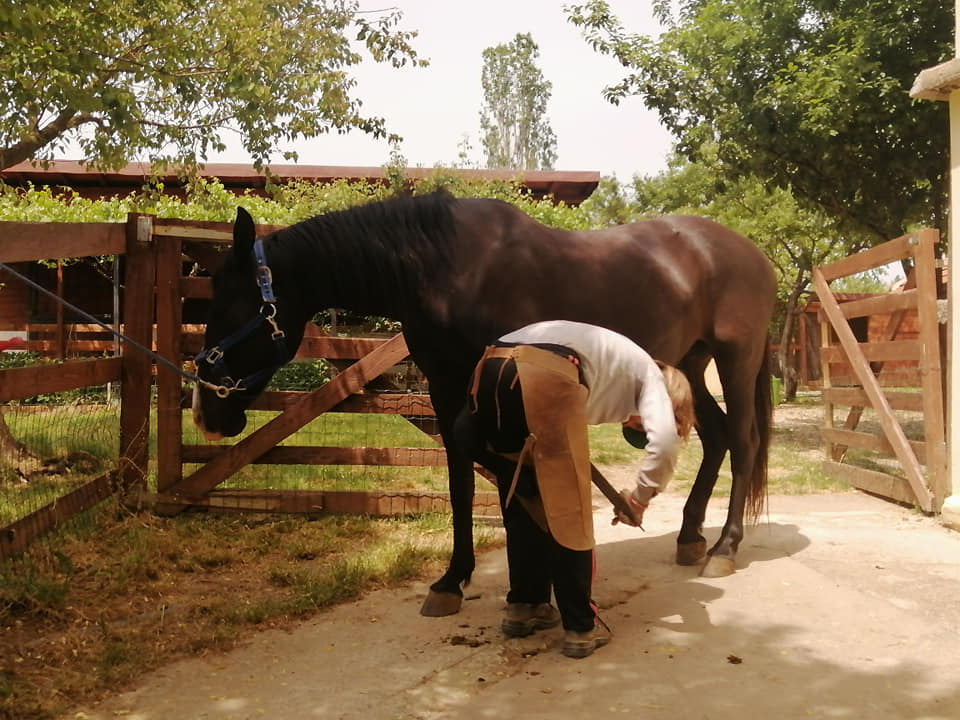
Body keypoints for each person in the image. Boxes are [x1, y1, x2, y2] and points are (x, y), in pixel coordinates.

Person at [454, 320, 695, 659]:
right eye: (643, 423)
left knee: (524, 495)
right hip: (548, 370)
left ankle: (525, 605)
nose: (637, 426)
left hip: (491, 366)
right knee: (571, 511)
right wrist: (640, 499)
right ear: (670, 400)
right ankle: (581, 627)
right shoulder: (651, 376)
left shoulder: (613, 364)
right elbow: (666, 443)